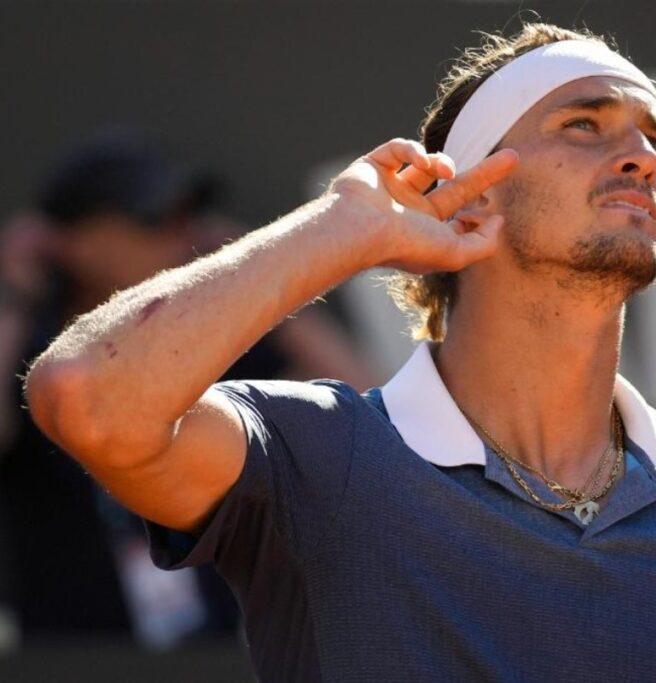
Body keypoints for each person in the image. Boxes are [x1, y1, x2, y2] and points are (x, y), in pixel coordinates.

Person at [25, 24, 656, 680]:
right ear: (471, 188)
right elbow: (83, 396)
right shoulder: (316, 453)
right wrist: (342, 228)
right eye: (583, 124)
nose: (643, 157)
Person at [0, 129, 378, 645]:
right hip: (76, 654)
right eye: (153, 219)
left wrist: (256, 276)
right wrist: (18, 294)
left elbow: (362, 410)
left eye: (186, 219)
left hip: (217, 653)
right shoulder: (29, 346)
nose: (178, 238)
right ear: (77, 239)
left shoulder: (215, 351)